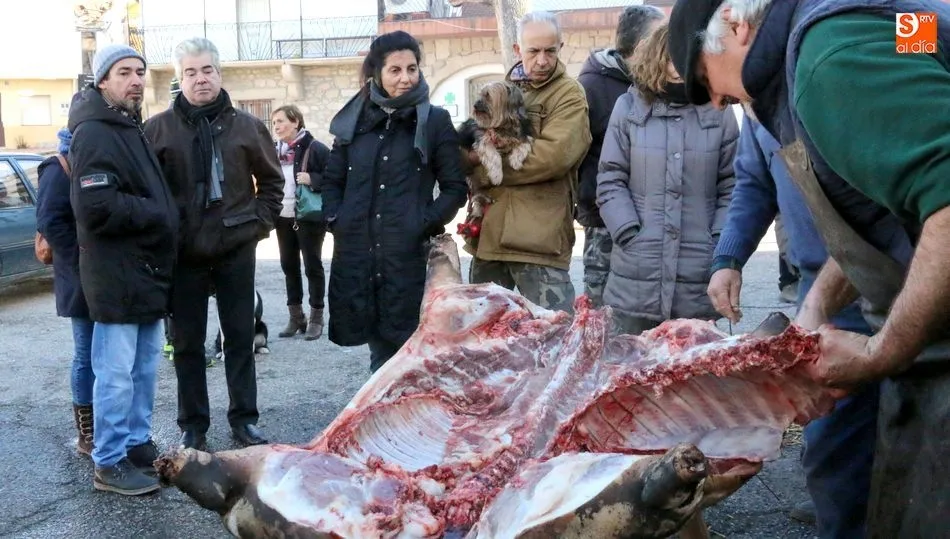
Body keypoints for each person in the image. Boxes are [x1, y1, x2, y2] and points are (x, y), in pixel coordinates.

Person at [667, 0, 950, 535]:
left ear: (736, 22)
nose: (712, 104)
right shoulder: (836, 41)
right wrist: (815, 308)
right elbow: (883, 215)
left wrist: (882, 350)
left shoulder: (829, 58)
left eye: (705, 80)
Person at [707, 109, 878, 537]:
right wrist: (729, 258)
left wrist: (915, 38)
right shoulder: (754, 102)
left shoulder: (890, 49)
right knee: (829, 445)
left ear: (740, 35)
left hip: (899, 279)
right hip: (821, 292)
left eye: (708, 81)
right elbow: (753, 182)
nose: (717, 103)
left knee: (916, 442)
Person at [144, 37, 284, 451]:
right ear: (179, 77)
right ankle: (193, 424)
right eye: (190, 72)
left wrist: (255, 226)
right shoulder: (157, 130)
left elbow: (274, 185)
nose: (200, 79)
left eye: (207, 70)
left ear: (219, 74)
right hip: (184, 254)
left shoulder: (247, 126)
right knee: (186, 342)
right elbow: (149, 193)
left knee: (239, 336)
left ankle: (244, 420)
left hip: (235, 249)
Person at [67, 44, 179, 495]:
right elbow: (94, 206)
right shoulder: (94, 131)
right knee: (114, 373)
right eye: (124, 72)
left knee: (145, 368)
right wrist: (158, 212)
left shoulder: (126, 126)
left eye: (139, 72)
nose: (135, 80)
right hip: (116, 275)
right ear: (103, 82)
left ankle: (135, 444)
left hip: (144, 272)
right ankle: (108, 460)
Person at [323, 30, 467, 373]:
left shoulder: (434, 121)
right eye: (395, 70)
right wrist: (336, 219)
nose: (406, 78)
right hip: (359, 252)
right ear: (377, 73)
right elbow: (332, 180)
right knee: (379, 349)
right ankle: (382, 419)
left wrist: (422, 222)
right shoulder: (354, 121)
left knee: (414, 351)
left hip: (407, 257)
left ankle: (412, 421)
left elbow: (454, 188)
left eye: (412, 68)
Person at [596, 21, 737, 335]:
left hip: (698, 275)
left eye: (684, 57)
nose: (676, 67)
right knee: (629, 375)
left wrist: (719, 240)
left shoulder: (719, 111)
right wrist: (629, 232)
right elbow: (610, 178)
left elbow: (733, 184)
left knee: (700, 377)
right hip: (636, 274)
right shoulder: (628, 107)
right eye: (669, 57)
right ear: (655, 57)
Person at [464, 11, 591, 314]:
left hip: (538, 244)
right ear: (518, 50)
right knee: (486, 343)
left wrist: (483, 167)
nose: (543, 60)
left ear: (561, 47)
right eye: (534, 51)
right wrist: (474, 160)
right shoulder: (500, 92)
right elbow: (470, 141)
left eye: (550, 50)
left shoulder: (568, 94)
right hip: (490, 240)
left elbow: (552, 157)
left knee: (553, 341)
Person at [575, 5, 665, 307]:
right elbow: (575, 154)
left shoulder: (661, 83)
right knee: (600, 314)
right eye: (660, 37)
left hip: (655, 221)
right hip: (603, 224)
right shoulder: (591, 87)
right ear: (641, 46)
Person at [35, 127, 96, 458]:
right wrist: (84, 255)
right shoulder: (58, 166)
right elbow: (49, 221)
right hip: (78, 276)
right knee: (86, 354)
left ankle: (109, 423)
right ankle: (86, 432)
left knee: (109, 355)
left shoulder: (99, 157)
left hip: (105, 276)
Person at [271, 104, 330, 340]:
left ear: (296, 122)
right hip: (282, 217)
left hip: (308, 218)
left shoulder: (315, 148)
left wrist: (312, 178)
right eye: (274, 123)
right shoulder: (274, 150)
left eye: (281, 121)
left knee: (312, 266)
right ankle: (296, 317)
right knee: (289, 266)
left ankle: (317, 318)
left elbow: (337, 177)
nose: (276, 127)